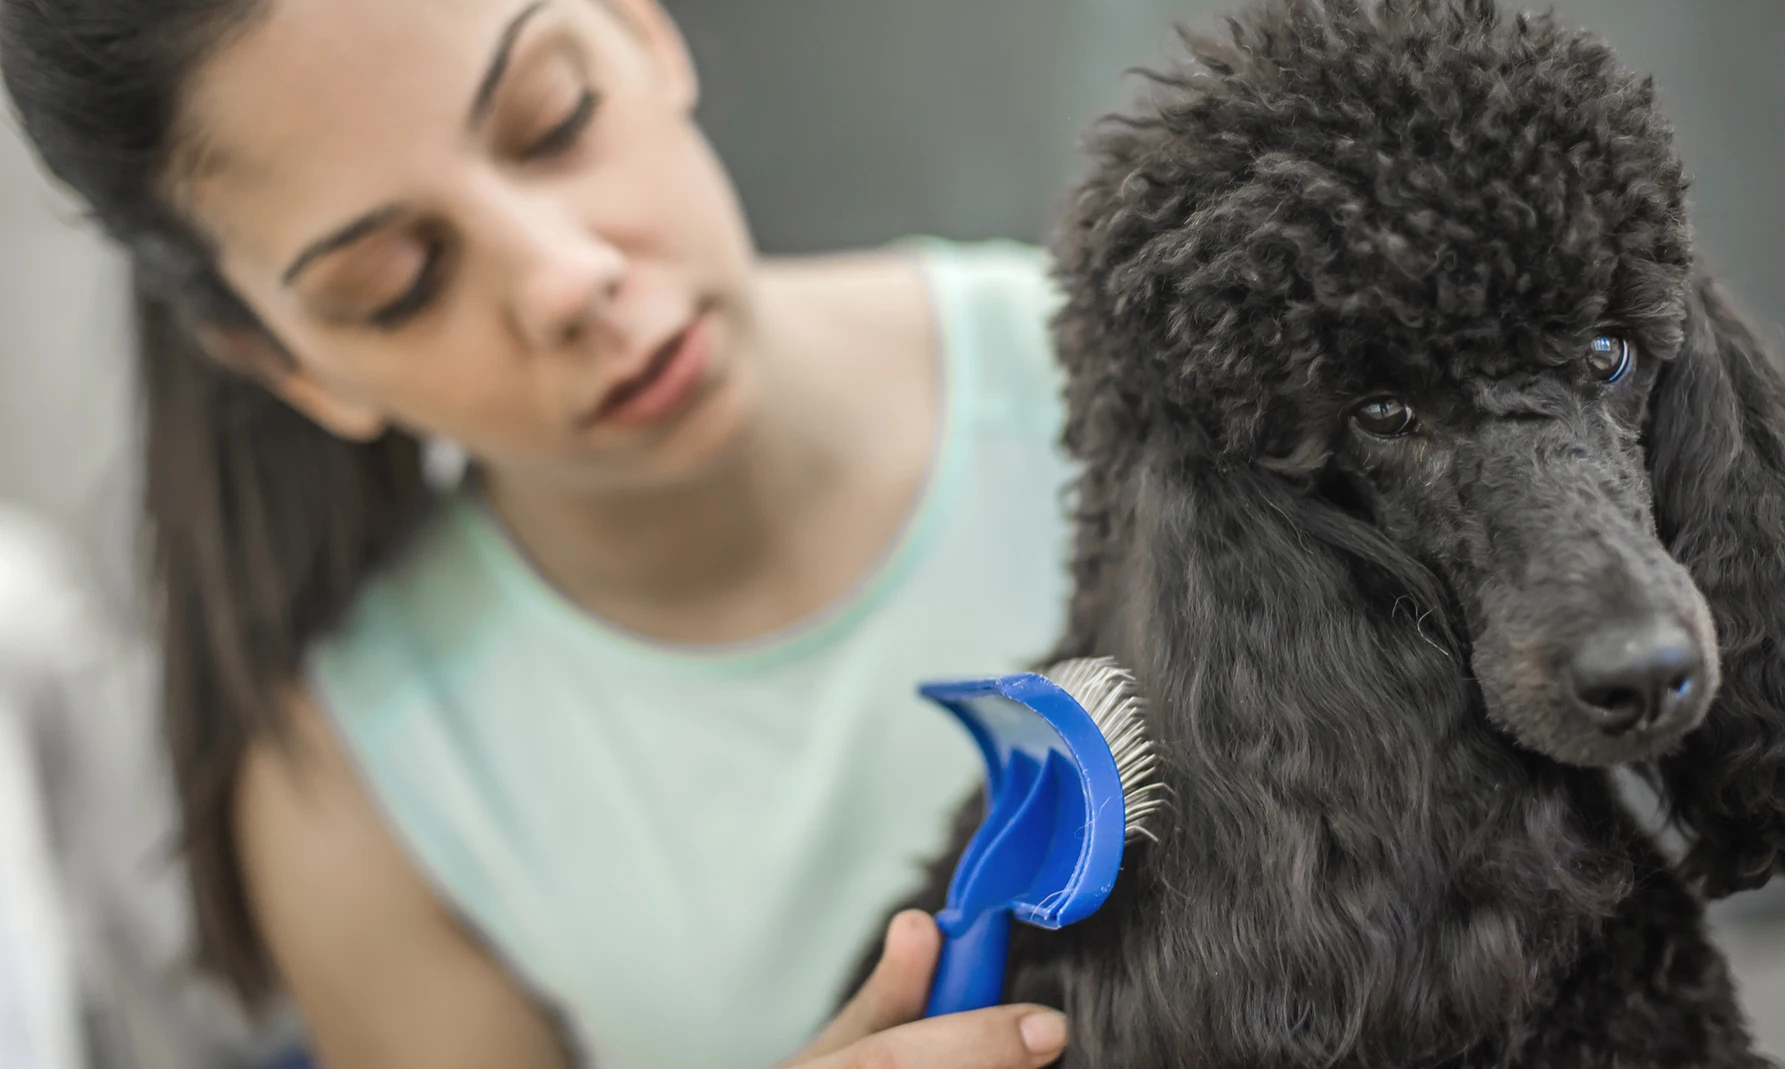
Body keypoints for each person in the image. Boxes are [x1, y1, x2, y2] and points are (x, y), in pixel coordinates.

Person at [0, 0, 1077, 1066]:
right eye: (401, 283)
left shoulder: (1117, 374)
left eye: (554, 121)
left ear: (640, 28)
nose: (567, 280)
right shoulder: (362, 797)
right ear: (287, 363)